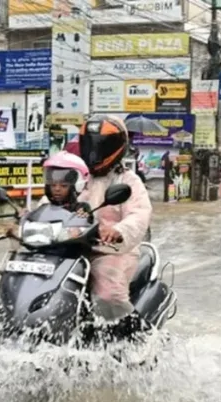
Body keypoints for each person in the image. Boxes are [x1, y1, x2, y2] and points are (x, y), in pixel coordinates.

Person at [77, 114, 152, 331]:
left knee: (108, 294)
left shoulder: (129, 181)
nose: (94, 151)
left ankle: (134, 335)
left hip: (113, 250)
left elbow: (140, 214)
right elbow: (56, 201)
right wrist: (28, 220)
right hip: (75, 246)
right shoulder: (80, 178)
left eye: (101, 145)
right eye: (90, 144)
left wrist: (117, 231)